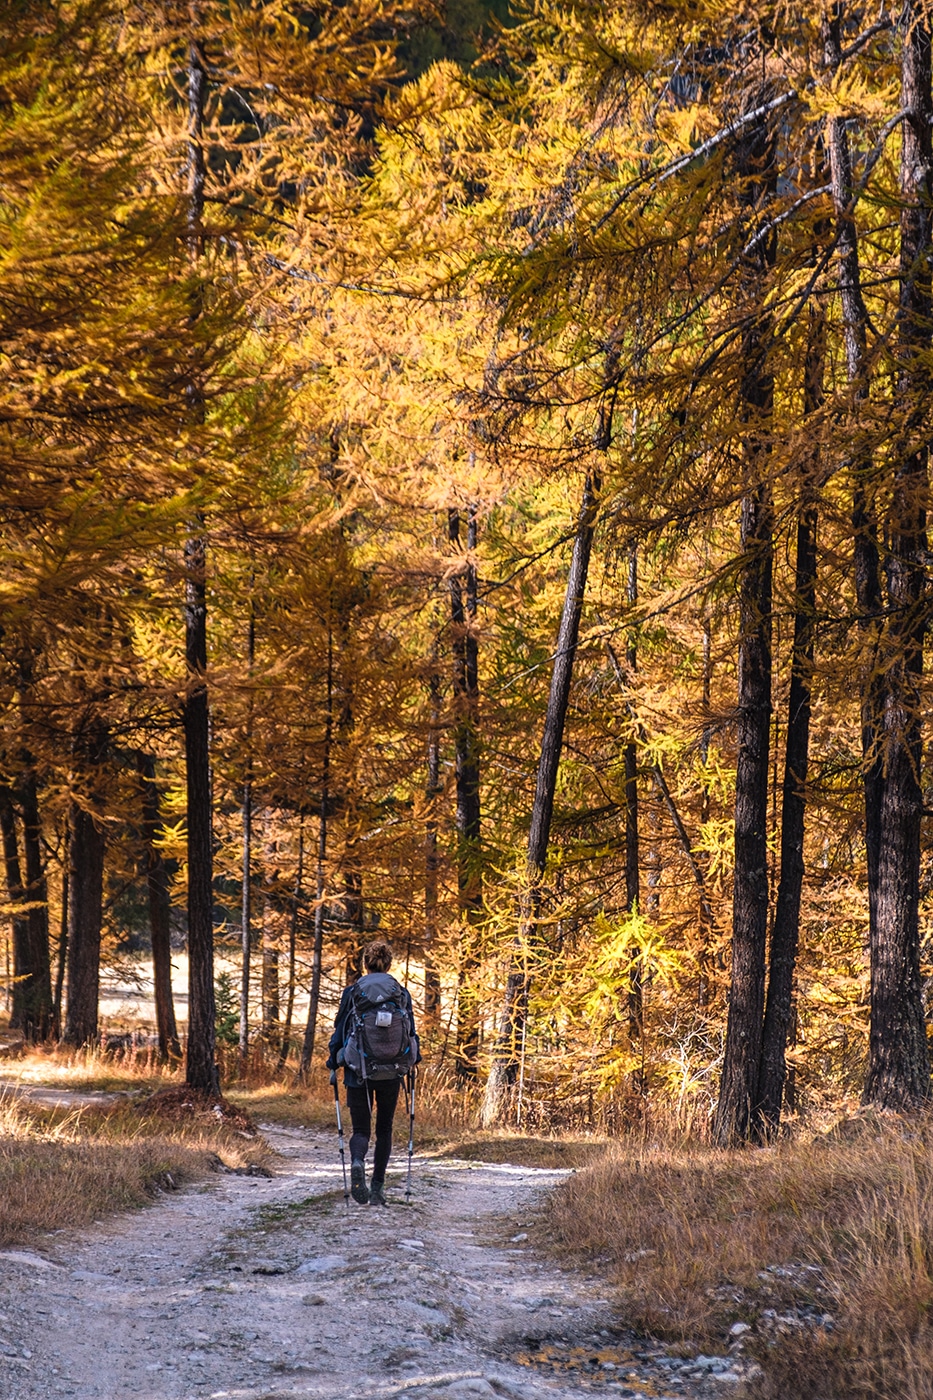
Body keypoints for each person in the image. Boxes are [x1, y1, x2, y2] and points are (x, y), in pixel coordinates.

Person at [326, 939, 417, 1207]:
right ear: (388, 964)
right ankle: (378, 1189)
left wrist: (334, 1059)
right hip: (392, 1071)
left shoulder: (353, 992)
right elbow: (411, 1032)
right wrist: (414, 1060)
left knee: (362, 1129)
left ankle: (357, 1161)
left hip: (359, 1071)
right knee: (385, 1129)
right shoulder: (401, 993)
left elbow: (340, 1030)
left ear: (365, 964)